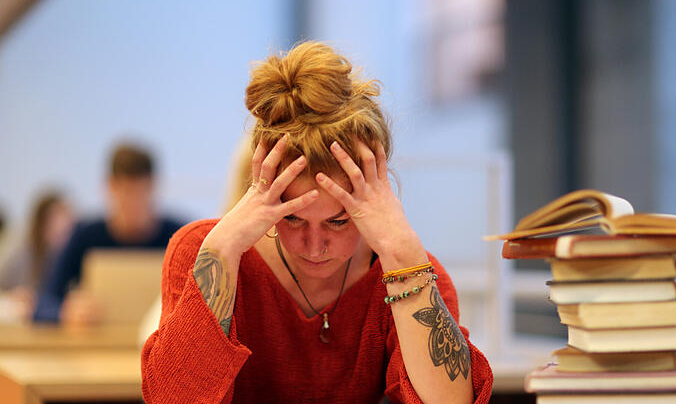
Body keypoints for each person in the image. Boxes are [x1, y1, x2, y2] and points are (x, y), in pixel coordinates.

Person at [140, 42, 493, 403]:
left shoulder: (411, 269)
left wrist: (403, 255)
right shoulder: (201, 250)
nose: (314, 246)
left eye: (338, 222)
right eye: (291, 218)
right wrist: (223, 248)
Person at [33, 143, 184, 325]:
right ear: (110, 187)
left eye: (141, 192)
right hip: (98, 347)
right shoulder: (85, 236)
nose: (133, 202)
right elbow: (44, 302)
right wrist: (65, 312)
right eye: (126, 192)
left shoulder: (179, 237)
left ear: (153, 187)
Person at [0, 191, 74, 320]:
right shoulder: (21, 250)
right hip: (17, 320)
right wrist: (11, 297)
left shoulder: (64, 255)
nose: (62, 225)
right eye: (55, 219)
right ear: (40, 223)